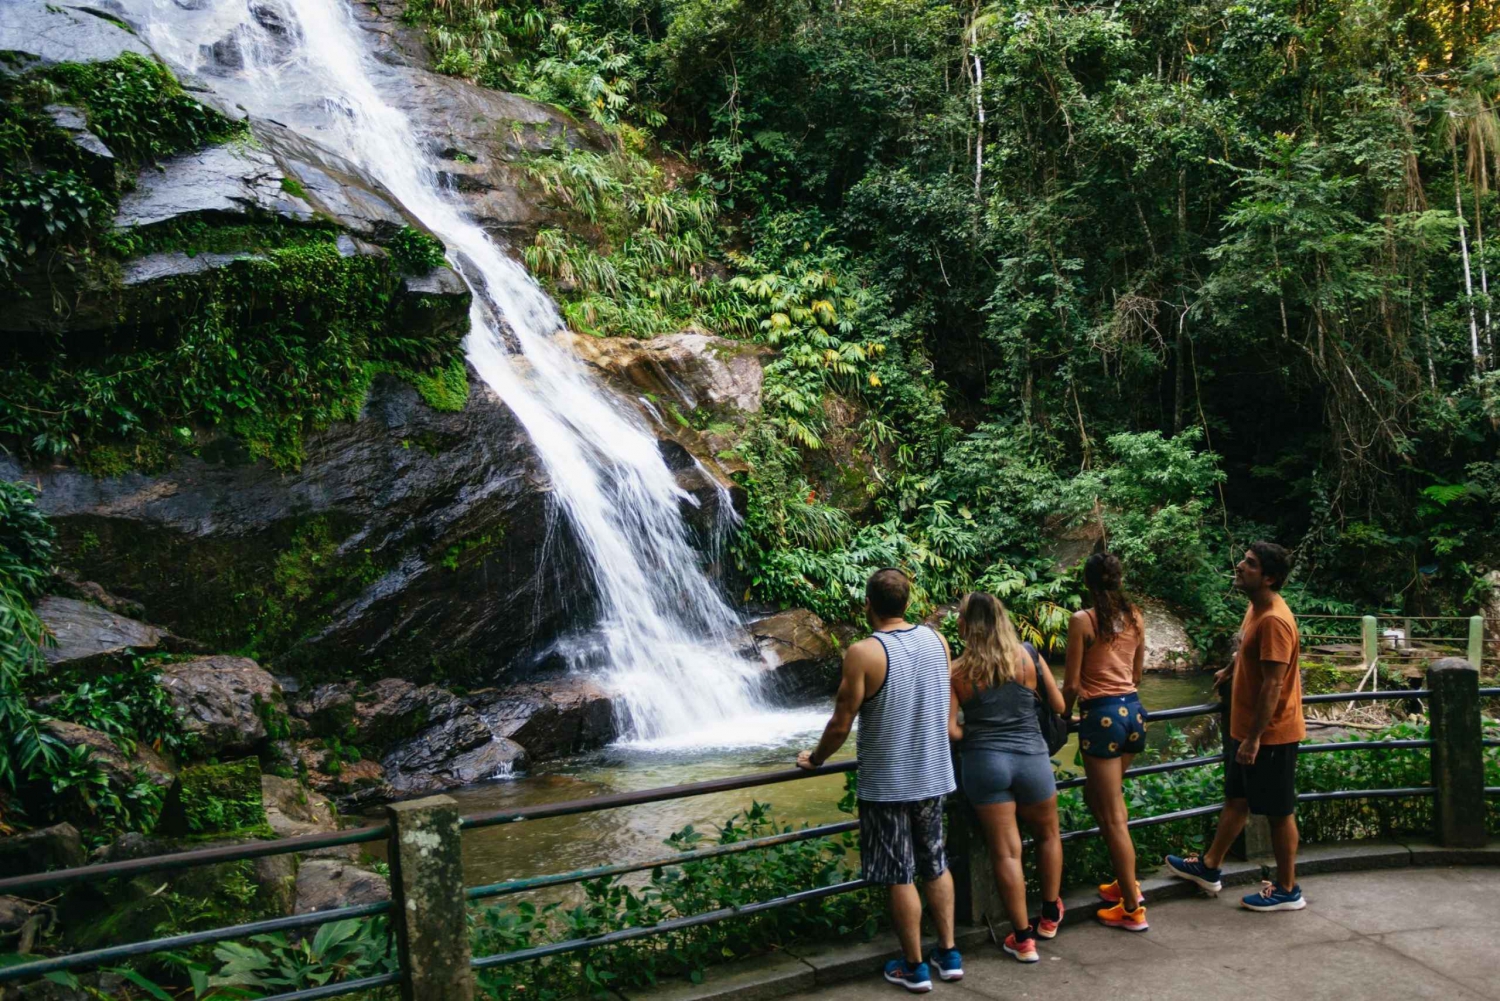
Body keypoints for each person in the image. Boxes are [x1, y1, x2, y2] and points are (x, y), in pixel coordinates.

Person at [797, 568, 961, 993]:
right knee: (936, 863)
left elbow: (840, 723)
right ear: (908, 602)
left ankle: (915, 966)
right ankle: (948, 952)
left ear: (867, 604)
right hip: (933, 774)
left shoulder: (864, 652)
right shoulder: (937, 641)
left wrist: (814, 759)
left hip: (888, 784)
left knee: (900, 874)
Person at [1166, 541, 1307, 912]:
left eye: (1250, 564)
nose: (1240, 567)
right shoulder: (1255, 608)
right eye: (1244, 560)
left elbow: (1274, 684)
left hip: (1271, 734)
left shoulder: (1275, 619)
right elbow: (1248, 650)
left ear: (1270, 577)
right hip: (1245, 729)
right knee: (1237, 799)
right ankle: (1210, 866)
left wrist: (1255, 738)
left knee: (1279, 812)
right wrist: (1231, 669)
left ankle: (1288, 889)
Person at [947, 592, 1066, 963]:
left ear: (967, 625)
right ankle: (1048, 916)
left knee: (1006, 851)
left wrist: (979, 735)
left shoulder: (957, 671)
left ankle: (1023, 939)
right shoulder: (1028, 656)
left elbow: (951, 730)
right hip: (1032, 758)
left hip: (984, 764)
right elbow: (1060, 707)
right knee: (1047, 835)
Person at [1062, 552, 1149, 932]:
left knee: (1111, 814)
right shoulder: (1135, 617)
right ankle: (1125, 880)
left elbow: (1071, 684)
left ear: (1087, 583)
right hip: (1134, 713)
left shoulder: (1083, 620)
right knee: (1099, 800)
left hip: (1102, 718)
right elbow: (1138, 672)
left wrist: (1062, 715)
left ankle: (1132, 907)